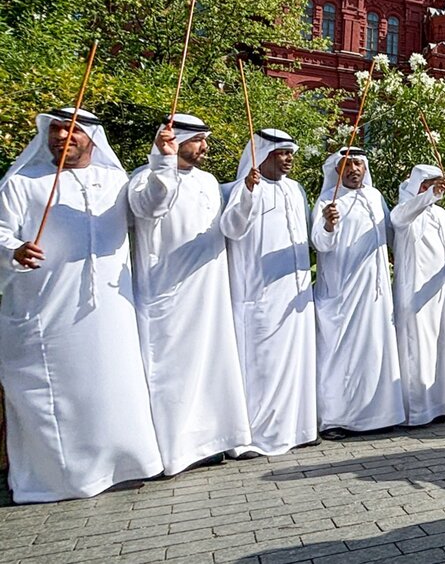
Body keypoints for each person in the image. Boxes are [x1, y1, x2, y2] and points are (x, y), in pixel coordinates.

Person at [0, 108, 162, 502]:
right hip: (47, 309)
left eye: (71, 130)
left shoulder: (115, 181)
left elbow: (152, 206)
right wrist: (13, 250)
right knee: (58, 394)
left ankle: (123, 466)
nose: (61, 137)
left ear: (91, 138)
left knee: (112, 387)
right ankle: (60, 481)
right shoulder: (23, 182)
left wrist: (162, 158)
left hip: (109, 311)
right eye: (55, 130)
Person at [127, 115, 251, 476]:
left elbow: (230, 228)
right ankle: (176, 449)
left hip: (209, 291)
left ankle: (213, 439)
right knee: (174, 370)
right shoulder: (144, 178)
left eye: (204, 139)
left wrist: (247, 195)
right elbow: (152, 205)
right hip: (167, 292)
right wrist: (162, 161)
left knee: (212, 362)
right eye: (197, 140)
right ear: (175, 141)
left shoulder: (209, 182)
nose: (204, 147)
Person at [220, 128, 317, 457]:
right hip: (259, 295)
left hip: (295, 296)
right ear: (261, 156)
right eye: (281, 153)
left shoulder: (296, 190)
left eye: (291, 153)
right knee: (262, 366)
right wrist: (248, 191)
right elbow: (232, 228)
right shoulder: (242, 188)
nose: (288, 159)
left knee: (297, 361)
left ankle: (299, 429)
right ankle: (254, 437)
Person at [310, 147, 405, 438]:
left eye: (358, 164)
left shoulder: (375, 197)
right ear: (337, 170)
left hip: (374, 293)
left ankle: (380, 415)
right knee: (341, 355)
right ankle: (336, 419)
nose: (354, 169)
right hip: (342, 293)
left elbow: (391, 235)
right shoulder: (327, 200)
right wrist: (328, 223)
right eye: (347, 164)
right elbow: (319, 243)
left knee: (375, 350)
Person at [390, 164, 445, 426]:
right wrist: (429, 195)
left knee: (441, 347)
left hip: (438, 291)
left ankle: (438, 405)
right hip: (414, 292)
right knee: (417, 349)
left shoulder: (440, 214)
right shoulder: (405, 210)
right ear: (420, 186)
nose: (436, 190)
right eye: (430, 184)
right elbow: (399, 218)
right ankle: (416, 410)